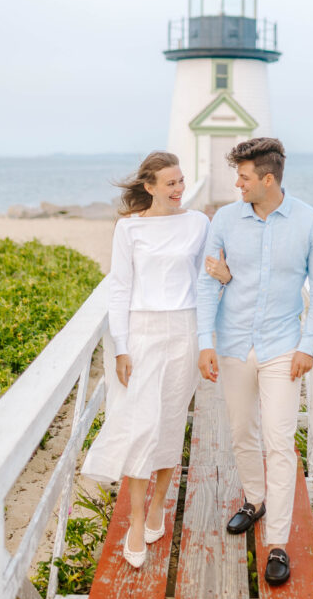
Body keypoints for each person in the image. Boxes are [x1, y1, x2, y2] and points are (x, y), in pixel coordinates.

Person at [81, 151, 230, 568]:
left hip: (183, 329)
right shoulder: (129, 229)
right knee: (140, 423)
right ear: (149, 187)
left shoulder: (198, 223)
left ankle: (159, 504)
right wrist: (122, 346)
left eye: (182, 181)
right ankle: (134, 520)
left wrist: (224, 278)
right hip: (141, 332)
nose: (180, 189)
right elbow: (119, 288)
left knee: (168, 422)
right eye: (170, 183)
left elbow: (208, 277)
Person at [197, 137, 313, 586]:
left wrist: (307, 345)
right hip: (233, 342)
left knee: (278, 440)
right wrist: (205, 340)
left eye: (243, 176)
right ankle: (255, 501)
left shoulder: (311, 222)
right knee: (241, 433)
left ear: (267, 179)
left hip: (282, 347)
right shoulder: (224, 220)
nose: (237, 183)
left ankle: (277, 543)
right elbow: (207, 283)